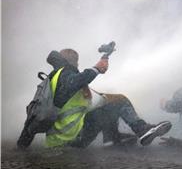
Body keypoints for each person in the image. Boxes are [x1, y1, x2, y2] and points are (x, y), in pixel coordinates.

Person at [17, 49, 172, 149]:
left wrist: (21, 147)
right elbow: (76, 80)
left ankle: (111, 139)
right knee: (119, 100)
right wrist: (97, 68)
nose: (77, 65)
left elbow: (32, 119)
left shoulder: (50, 83)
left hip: (58, 141)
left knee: (108, 102)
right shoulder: (67, 76)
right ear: (73, 62)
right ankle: (141, 130)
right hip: (72, 141)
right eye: (76, 62)